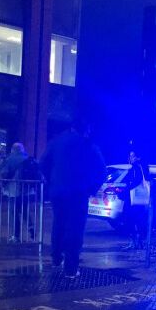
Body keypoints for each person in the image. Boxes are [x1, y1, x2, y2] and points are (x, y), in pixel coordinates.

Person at [40, 119, 106, 278]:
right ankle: (70, 268)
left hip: (57, 192)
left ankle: (56, 259)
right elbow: (102, 170)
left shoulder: (56, 142)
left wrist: (52, 181)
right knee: (74, 229)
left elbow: (42, 163)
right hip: (78, 193)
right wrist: (91, 188)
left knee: (58, 224)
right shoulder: (88, 145)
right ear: (86, 129)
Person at [0, 143, 35, 242]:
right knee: (25, 211)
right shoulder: (28, 159)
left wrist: (2, 185)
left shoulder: (9, 159)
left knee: (14, 213)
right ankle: (31, 228)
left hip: (13, 191)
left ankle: (16, 236)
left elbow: (2, 173)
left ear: (12, 150)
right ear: (22, 149)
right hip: (27, 191)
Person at [122, 150, 150, 250]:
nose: (130, 158)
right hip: (139, 200)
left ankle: (133, 242)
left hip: (133, 199)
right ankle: (139, 242)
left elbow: (135, 181)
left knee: (129, 219)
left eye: (132, 156)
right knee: (139, 220)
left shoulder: (135, 167)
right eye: (130, 156)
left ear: (138, 157)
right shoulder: (143, 167)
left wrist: (127, 187)